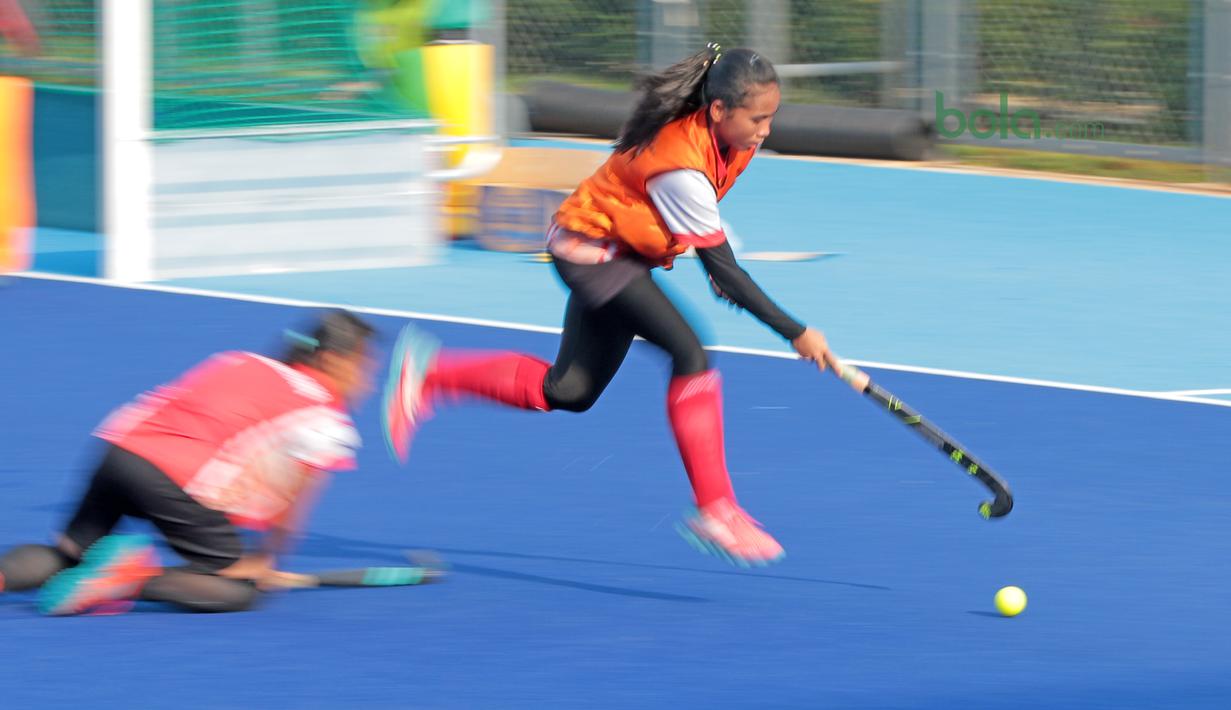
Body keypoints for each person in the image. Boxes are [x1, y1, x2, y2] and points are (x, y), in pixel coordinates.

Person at [386, 44, 831, 566]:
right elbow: (724, 269)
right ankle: (717, 508)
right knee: (690, 352)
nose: (765, 130)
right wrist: (795, 331)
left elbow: (707, 228)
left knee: (569, 391)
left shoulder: (730, 142)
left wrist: (714, 254)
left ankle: (431, 374)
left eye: (771, 118)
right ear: (719, 111)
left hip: (623, 252)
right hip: (590, 251)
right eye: (757, 118)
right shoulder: (680, 162)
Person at [0, 310, 377, 614]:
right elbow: (294, 498)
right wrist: (265, 560)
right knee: (238, 589)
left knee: (68, 554)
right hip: (174, 477)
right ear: (331, 360)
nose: (367, 383)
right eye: (364, 369)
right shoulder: (326, 417)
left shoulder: (240, 360)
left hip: (116, 451)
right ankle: (128, 578)